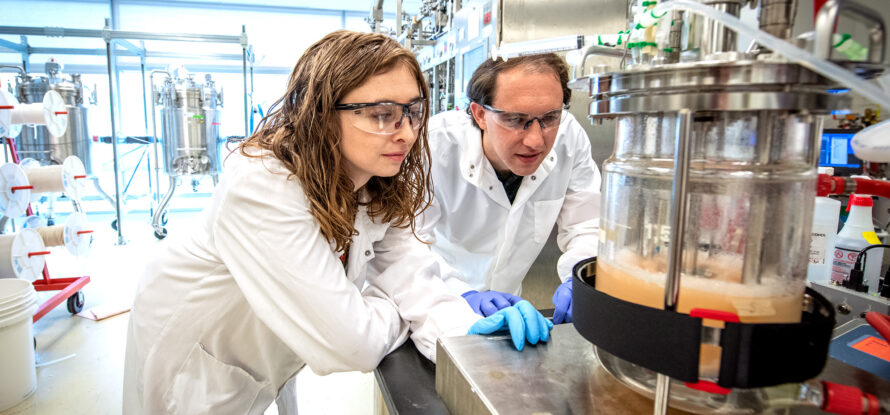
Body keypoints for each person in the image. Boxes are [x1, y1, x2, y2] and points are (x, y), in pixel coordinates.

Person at [122, 31, 552, 415]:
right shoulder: (263, 186)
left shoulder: (374, 183)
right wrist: (394, 309)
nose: (406, 133)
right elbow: (352, 346)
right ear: (321, 113)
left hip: (263, 349)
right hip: (196, 350)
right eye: (382, 114)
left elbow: (411, 276)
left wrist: (460, 325)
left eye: (413, 111)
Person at [421, 53, 602, 324]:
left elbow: (586, 225)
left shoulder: (569, 138)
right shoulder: (434, 145)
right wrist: (461, 294)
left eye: (550, 117)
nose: (535, 140)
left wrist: (582, 277)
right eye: (516, 120)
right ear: (480, 114)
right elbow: (408, 245)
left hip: (507, 308)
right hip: (435, 300)